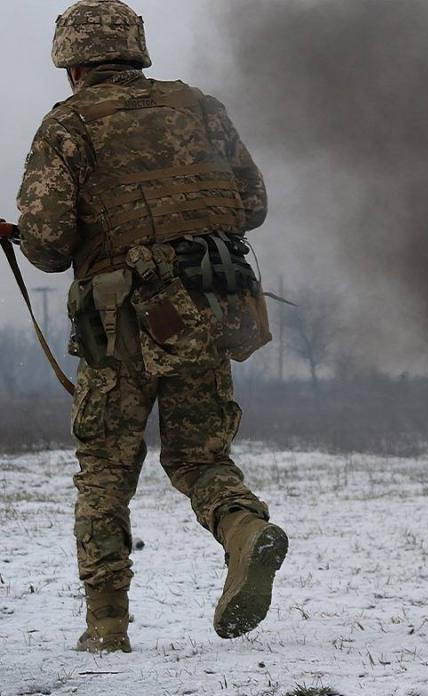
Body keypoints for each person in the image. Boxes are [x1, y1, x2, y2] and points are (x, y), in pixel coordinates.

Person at [16, 0, 287, 652]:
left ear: (72, 64)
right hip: (209, 311)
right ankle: (244, 529)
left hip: (125, 326)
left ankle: (106, 627)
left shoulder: (67, 125)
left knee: (105, 470)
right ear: (136, 50)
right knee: (200, 457)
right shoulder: (200, 108)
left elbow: (49, 245)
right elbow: (251, 205)